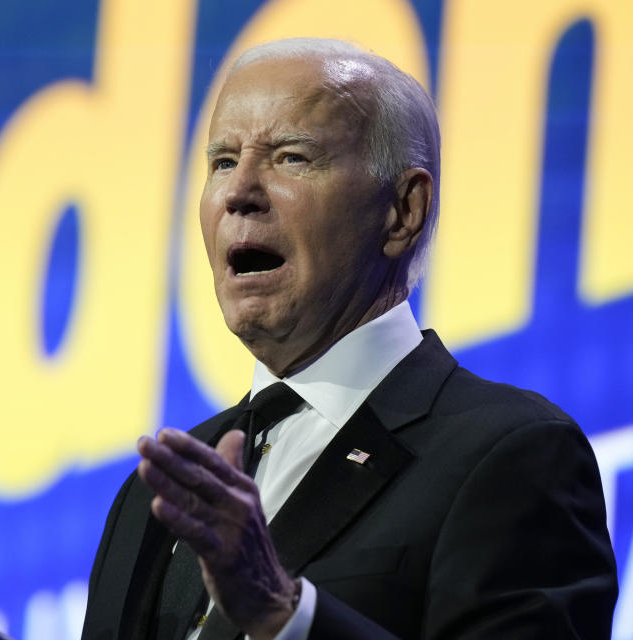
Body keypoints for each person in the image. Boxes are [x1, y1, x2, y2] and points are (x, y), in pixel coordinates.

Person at [80, 38, 617, 639]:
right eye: (223, 162)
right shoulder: (156, 496)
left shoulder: (510, 454)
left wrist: (286, 615)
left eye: (291, 157)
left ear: (402, 211)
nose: (238, 193)